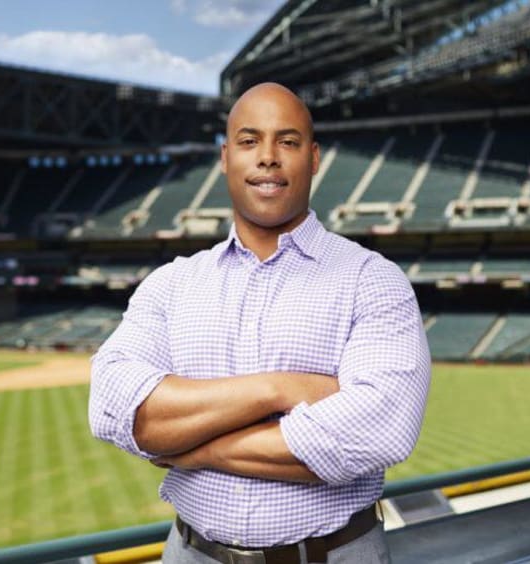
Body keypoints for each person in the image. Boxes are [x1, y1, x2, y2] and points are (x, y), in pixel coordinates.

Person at [89, 82, 431, 564]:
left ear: (313, 158)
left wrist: (197, 447)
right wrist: (279, 389)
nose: (268, 157)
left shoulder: (372, 280)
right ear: (226, 157)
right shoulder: (172, 282)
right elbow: (115, 407)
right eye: (249, 141)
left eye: (287, 142)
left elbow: (375, 433)